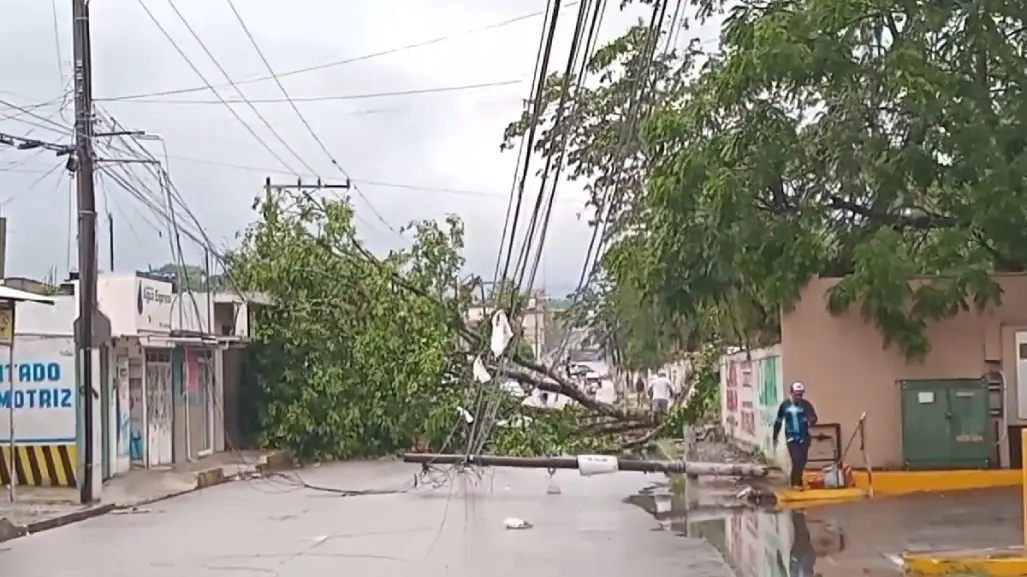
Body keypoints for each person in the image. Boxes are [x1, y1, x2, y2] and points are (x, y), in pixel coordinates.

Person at [773, 381, 818, 489]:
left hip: (804, 437)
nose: (799, 397)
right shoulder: (785, 406)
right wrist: (775, 436)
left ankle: (797, 480)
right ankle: (795, 483)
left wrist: (811, 420)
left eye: (801, 394)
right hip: (791, 438)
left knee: (802, 461)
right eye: (797, 394)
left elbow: (814, 417)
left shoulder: (806, 405)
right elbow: (778, 421)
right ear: (791, 393)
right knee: (796, 459)